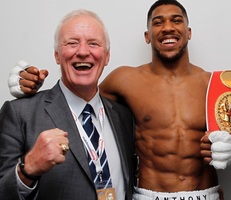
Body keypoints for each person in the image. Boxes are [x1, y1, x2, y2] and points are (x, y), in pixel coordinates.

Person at [7, 0, 231, 199]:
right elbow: (78, 101)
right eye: (158, 22)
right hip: (147, 195)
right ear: (147, 35)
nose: (167, 27)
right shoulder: (124, 80)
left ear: (189, 32)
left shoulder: (215, 84)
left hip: (204, 194)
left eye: (176, 20)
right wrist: (29, 86)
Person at [0, 9, 135, 200]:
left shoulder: (123, 117)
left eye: (93, 43)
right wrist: (28, 168)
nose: (82, 52)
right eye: (72, 43)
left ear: (107, 56)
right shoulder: (19, 113)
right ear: (57, 55)